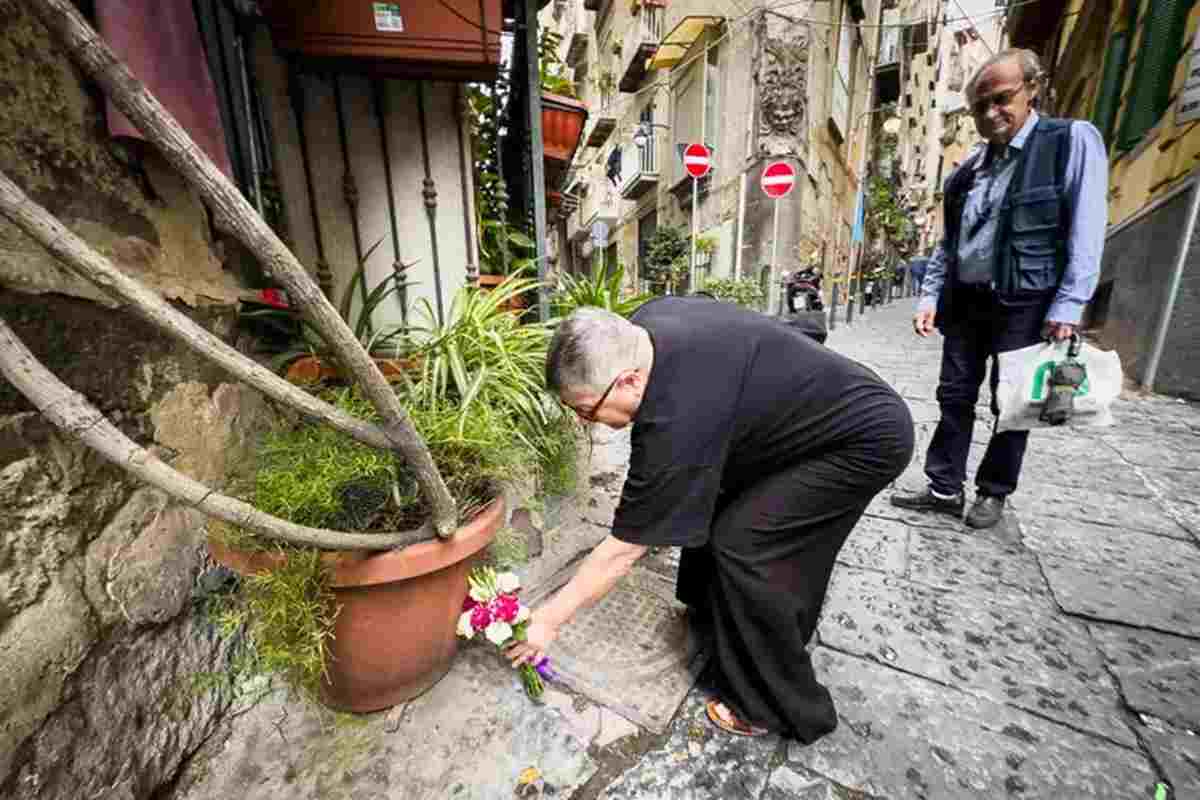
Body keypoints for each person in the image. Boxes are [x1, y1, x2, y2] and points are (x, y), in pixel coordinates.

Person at [505, 300, 914, 743]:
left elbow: (623, 548)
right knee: (712, 501)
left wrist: (547, 621)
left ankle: (772, 706)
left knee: (746, 546)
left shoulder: (678, 414)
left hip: (862, 440)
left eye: (587, 410)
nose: (587, 423)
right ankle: (716, 619)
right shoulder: (641, 333)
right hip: (804, 420)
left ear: (628, 380)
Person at [891, 48, 1107, 529]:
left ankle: (993, 492)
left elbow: (1088, 227)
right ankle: (944, 487)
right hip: (967, 302)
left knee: (1012, 404)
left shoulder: (1069, 142)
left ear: (1032, 88)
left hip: (1027, 300)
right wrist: (930, 296)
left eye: (1002, 99)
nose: (991, 114)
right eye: (980, 107)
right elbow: (951, 243)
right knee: (953, 395)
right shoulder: (968, 169)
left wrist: (1070, 302)